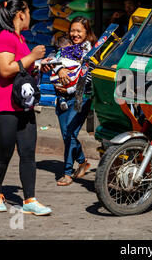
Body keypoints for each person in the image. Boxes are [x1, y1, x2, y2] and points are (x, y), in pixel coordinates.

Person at [0, 0, 52, 216]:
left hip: (23, 104)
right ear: (20, 14)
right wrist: (32, 56)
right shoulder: (3, 37)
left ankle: (29, 199)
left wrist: (40, 64)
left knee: (28, 152)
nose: (31, 15)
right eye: (29, 11)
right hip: (3, 106)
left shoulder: (19, 38)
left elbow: (21, 67)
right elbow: (5, 70)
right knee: (4, 153)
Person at [46, 16, 97, 186]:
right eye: (72, 30)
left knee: (69, 132)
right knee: (68, 135)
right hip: (61, 98)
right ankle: (82, 162)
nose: (75, 34)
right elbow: (54, 56)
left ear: (86, 32)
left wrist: (69, 89)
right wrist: (59, 69)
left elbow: (88, 77)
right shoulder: (66, 45)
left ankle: (67, 172)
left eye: (79, 31)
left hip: (80, 97)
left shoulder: (90, 51)